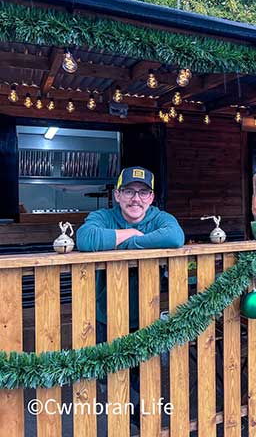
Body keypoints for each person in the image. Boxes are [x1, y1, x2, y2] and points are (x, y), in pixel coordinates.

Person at [76, 166, 184, 426]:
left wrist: (128, 242)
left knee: (144, 373)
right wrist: (132, 233)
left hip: (145, 314)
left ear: (151, 198)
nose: (136, 198)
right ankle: (122, 417)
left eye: (143, 193)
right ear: (117, 195)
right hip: (107, 313)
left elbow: (174, 236)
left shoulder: (159, 218)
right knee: (108, 374)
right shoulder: (102, 216)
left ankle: (142, 419)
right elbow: (85, 238)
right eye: (129, 191)